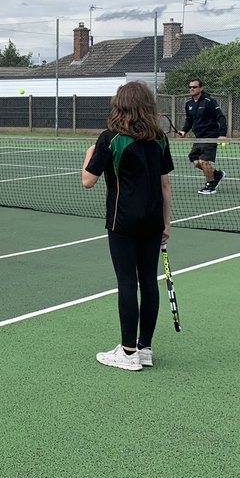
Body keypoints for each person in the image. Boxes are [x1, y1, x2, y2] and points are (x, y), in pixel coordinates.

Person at [82, 81, 173, 372]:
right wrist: (166, 223)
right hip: (152, 221)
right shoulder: (159, 138)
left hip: (122, 222)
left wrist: (88, 155)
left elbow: (88, 180)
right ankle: (144, 348)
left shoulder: (110, 138)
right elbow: (165, 185)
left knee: (126, 282)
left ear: (119, 104)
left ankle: (128, 352)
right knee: (148, 281)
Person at [177, 78, 227, 195]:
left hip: (210, 136)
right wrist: (184, 130)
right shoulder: (188, 104)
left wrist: (223, 135)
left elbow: (221, 117)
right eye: (190, 87)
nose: (192, 89)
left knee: (203, 161)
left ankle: (210, 185)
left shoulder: (209, 101)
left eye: (194, 87)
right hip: (198, 137)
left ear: (201, 88)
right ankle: (217, 174)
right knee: (196, 162)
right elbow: (189, 120)